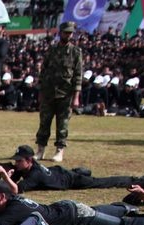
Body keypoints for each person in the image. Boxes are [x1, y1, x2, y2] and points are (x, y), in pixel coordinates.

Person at [0, 179, 144, 225]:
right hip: (68, 207)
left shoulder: (15, 209)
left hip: (74, 217)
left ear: (3, 196)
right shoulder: (14, 202)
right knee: (101, 212)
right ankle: (126, 207)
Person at [35, 22, 84, 163]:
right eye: (65, 32)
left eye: (70, 33)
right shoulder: (51, 50)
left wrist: (76, 97)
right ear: (60, 32)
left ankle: (59, 151)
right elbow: (43, 72)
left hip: (66, 94)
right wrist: (41, 91)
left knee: (62, 125)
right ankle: (40, 150)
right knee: (44, 122)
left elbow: (78, 75)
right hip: (49, 93)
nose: (68, 35)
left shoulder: (76, 52)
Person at [0, 145, 135, 193]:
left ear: (29, 160)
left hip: (70, 180)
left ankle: (130, 180)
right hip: (58, 172)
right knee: (81, 173)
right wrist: (10, 174)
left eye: (19, 160)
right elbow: (11, 181)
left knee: (100, 182)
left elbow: (16, 190)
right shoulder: (26, 167)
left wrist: (5, 176)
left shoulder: (35, 174)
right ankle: (82, 171)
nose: (16, 163)